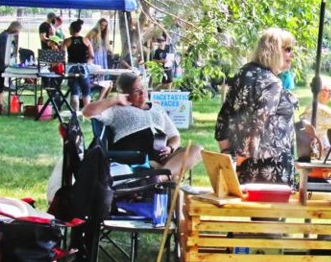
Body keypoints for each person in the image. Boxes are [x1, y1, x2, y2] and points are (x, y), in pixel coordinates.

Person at [215, 27, 298, 186]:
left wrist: (229, 156)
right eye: (287, 49)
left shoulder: (244, 73)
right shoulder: (272, 82)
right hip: (271, 167)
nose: (291, 55)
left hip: (244, 164)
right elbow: (259, 123)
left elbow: (223, 118)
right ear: (274, 50)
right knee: (269, 211)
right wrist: (241, 158)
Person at [83, 72, 202, 181]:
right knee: (175, 176)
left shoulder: (157, 108)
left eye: (143, 88)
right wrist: (116, 99)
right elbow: (87, 111)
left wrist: (170, 148)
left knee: (197, 150)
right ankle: (162, 176)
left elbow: (174, 136)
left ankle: (158, 178)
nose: (142, 93)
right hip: (136, 158)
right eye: (137, 90)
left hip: (162, 156)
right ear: (126, 93)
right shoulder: (117, 109)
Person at [62, 19, 95, 112]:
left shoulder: (67, 41)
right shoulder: (86, 40)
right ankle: (88, 113)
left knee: (74, 91)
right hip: (83, 68)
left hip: (72, 68)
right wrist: (87, 63)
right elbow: (92, 55)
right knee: (86, 91)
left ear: (71, 29)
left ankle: (75, 113)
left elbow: (62, 56)